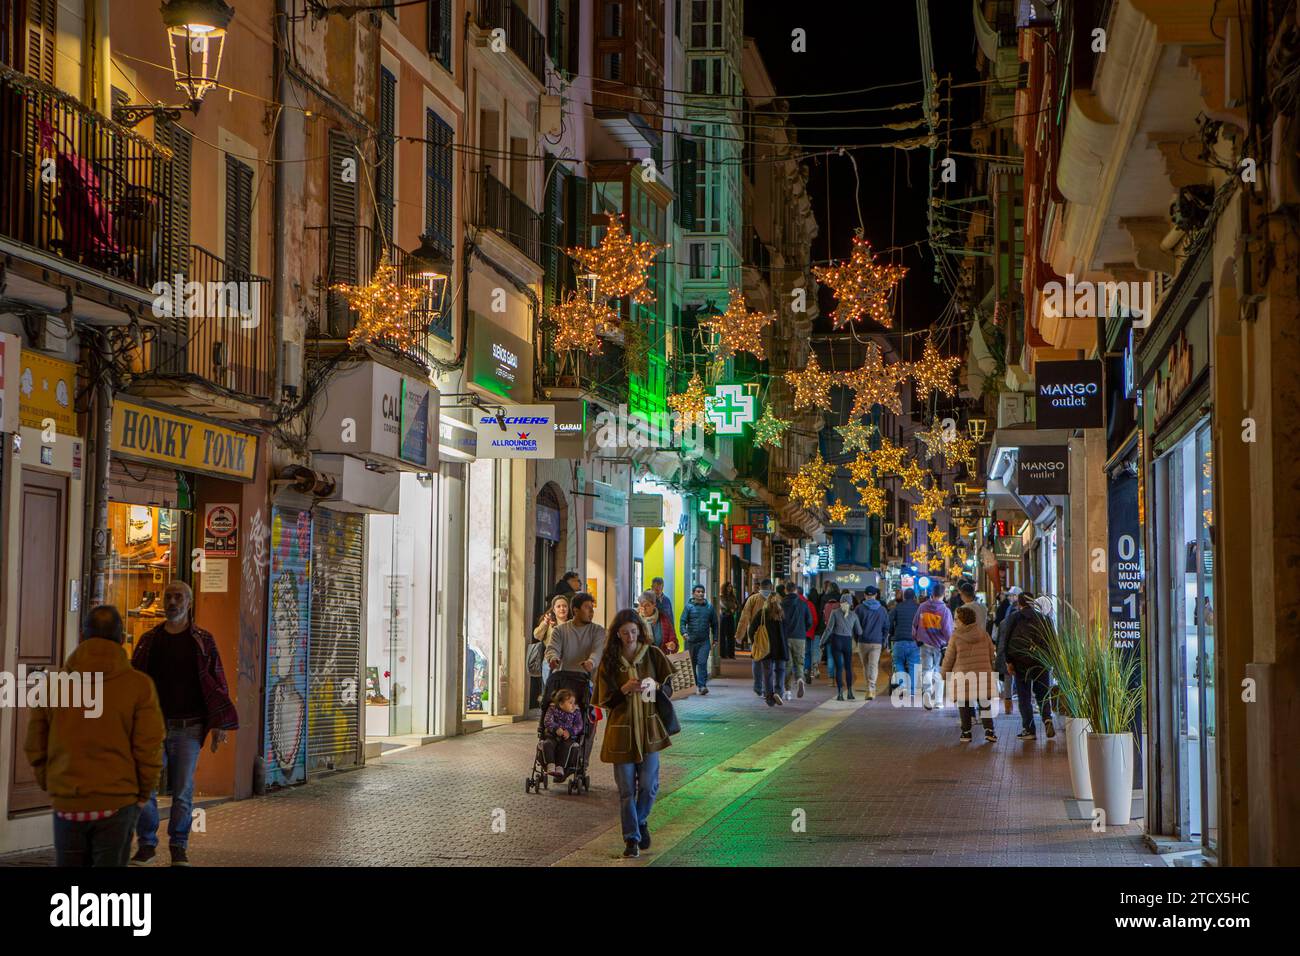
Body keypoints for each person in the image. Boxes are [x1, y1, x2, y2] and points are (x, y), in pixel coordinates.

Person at [25, 606, 165, 867]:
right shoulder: (139, 686)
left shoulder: (54, 685)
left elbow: (35, 744)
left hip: (68, 800)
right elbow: (149, 748)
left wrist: (53, 783)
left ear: (81, 638)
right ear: (122, 640)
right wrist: (143, 793)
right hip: (119, 801)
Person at [131, 580, 237, 867]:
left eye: (179, 597)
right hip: (154, 727)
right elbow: (134, 683)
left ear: (189, 603)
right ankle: (148, 845)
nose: (172, 602)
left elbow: (217, 684)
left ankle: (178, 846)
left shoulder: (202, 640)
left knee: (182, 791)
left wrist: (219, 725)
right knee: (146, 786)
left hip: (188, 728)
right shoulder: (149, 640)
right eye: (168, 597)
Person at [595, 609, 674, 858]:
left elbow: (672, 687)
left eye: (633, 631)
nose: (630, 636)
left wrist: (658, 686)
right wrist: (624, 689)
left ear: (639, 630)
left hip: (649, 729)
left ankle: (640, 821)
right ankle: (631, 839)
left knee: (650, 786)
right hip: (621, 731)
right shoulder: (610, 661)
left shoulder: (652, 654)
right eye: (624, 632)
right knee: (626, 789)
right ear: (617, 634)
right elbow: (603, 699)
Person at [942, 604, 999, 743]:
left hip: (963, 675)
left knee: (964, 704)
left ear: (963, 620)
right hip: (982, 673)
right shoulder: (983, 634)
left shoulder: (956, 637)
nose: (955, 621)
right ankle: (989, 731)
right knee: (984, 703)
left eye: (956, 619)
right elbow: (992, 654)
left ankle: (966, 732)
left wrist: (944, 674)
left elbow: (949, 658)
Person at [1003, 591, 1056, 739]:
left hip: (1021, 662)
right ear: (1034, 602)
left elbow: (1006, 641)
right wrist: (1052, 662)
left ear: (1019, 604)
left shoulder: (1015, 618)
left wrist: (1009, 661)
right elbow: (1053, 642)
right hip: (1041, 662)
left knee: (1024, 695)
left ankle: (1029, 728)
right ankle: (1047, 718)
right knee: (1043, 693)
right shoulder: (1046, 619)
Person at [912, 582, 953, 711]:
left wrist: (916, 638)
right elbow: (947, 630)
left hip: (924, 643)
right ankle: (939, 701)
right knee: (939, 672)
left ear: (932, 593)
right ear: (943, 595)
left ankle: (927, 692)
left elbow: (915, 624)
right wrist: (950, 644)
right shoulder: (945, 611)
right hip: (940, 646)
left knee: (926, 670)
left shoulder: (922, 607)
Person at [545, 592, 605, 678]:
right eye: (587, 607)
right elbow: (552, 648)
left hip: (587, 681)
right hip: (564, 680)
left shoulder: (598, 631)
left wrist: (591, 662)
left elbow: (597, 651)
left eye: (592, 608)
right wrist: (553, 658)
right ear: (576, 610)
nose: (591, 611)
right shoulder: (560, 630)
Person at [751, 590, 791, 707]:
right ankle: (779, 692)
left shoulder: (762, 613)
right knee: (780, 670)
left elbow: (751, 629)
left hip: (766, 648)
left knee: (767, 672)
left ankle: (769, 696)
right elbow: (787, 630)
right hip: (781, 648)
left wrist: (755, 642)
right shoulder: (782, 614)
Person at [680, 584, 719, 695]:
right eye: (698, 591)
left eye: (702, 592)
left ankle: (702, 686)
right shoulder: (688, 607)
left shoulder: (709, 608)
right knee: (691, 664)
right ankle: (695, 685)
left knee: (702, 662)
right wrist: (684, 633)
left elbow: (715, 624)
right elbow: (682, 622)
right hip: (690, 641)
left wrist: (715, 638)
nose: (700, 593)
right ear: (693, 593)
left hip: (704, 641)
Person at [820, 594, 861, 700]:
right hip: (847, 642)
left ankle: (839, 694)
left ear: (840, 602)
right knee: (848, 668)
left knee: (838, 668)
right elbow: (859, 631)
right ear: (851, 603)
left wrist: (822, 642)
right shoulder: (853, 615)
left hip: (836, 641)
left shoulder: (834, 613)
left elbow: (828, 629)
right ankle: (850, 693)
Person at [854, 586, 890, 699]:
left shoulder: (859, 609)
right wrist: (883, 639)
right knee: (873, 665)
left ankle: (868, 688)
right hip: (877, 642)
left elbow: (855, 626)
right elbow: (886, 626)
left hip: (863, 641)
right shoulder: (882, 610)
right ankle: (871, 687)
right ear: (876, 595)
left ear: (865, 595)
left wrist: (857, 638)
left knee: (865, 666)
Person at [737, 580, 772, 696]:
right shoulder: (775, 599)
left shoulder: (752, 599)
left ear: (760, 587)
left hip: (755, 635)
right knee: (769, 663)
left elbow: (744, 617)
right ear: (771, 587)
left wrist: (739, 636)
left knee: (756, 661)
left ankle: (758, 687)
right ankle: (769, 687)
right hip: (771, 636)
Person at [541, 688, 584, 780]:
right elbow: (547, 721)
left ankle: (560, 767)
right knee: (547, 744)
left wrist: (570, 732)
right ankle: (551, 765)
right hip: (553, 736)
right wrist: (556, 728)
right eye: (570, 703)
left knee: (566, 747)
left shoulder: (576, 712)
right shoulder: (552, 709)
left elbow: (579, 725)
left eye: (574, 702)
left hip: (567, 738)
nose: (573, 705)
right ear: (561, 704)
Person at [533, 593, 572, 697]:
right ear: (554, 610)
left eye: (564, 606)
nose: (562, 609)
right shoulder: (549, 624)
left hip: (568, 664)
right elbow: (537, 635)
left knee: (566, 695)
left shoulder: (573, 624)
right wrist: (545, 623)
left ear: (568, 608)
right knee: (552, 694)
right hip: (550, 663)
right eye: (558, 606)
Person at [888, 588, 921, 697]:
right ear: (914, 597)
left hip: (899, 640)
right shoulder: (918, 608)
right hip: (913, 641)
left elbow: (890, 622)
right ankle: (911, 691)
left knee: (898, 663)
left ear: (904, 597)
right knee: (913, 665)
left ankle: (902, 686)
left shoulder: (897, 607)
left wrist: (892, 633)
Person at [650, 577, 678, 650]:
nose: (659, 592)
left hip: (665, 631)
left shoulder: (667, 600)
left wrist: (672, 633)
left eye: (661, 589)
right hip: (653, 631)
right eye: (656, 590)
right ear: (652, 587)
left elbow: (670, 617)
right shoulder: (648, 600)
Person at [718, 582, 740, 658]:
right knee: (722, 636)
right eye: (728, 587)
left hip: (730, 617)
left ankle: (731, 654)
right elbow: (723, 606)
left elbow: (737, 606)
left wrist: (733, 608)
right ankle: (723, 654)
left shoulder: (733, 597)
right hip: (723, 617)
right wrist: (731, 608)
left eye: (730, 587)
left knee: (731, 636)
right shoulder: (721, 597)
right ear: (725, 588)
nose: (729, 589)